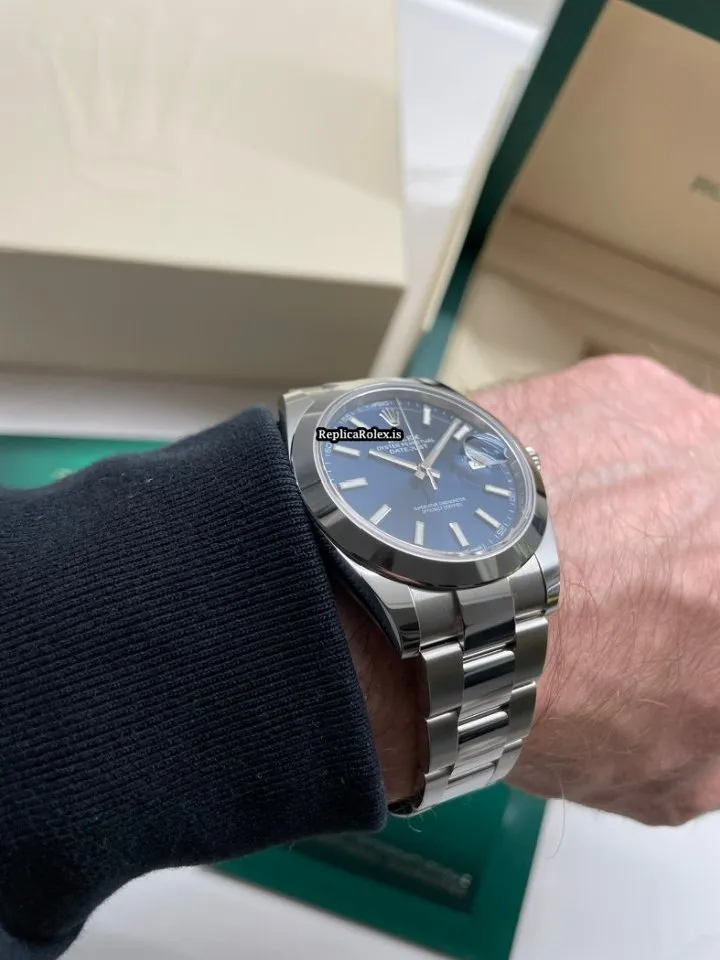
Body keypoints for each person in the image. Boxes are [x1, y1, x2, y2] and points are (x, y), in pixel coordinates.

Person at [1, 355, 719, 959]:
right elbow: (334, 433)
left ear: (528, 466)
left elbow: (345, 428)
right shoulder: (344, 437)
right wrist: (304, 639)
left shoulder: (371, 435)